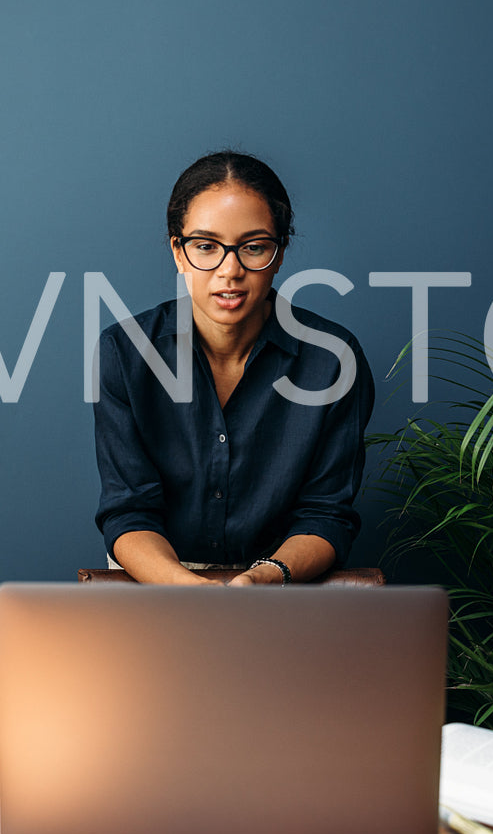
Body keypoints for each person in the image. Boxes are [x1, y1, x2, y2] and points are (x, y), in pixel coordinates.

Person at [92, 151, 375, 585]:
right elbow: (128, 510)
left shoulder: (332, 360)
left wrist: (264, 578)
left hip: (284, 584)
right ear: (178, 251)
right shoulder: (124, 353)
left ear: (279, 254)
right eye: (206, 246)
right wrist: (185, 589)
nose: (230, 270)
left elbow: (326, 515)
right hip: (157, 583)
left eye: (254, 247)